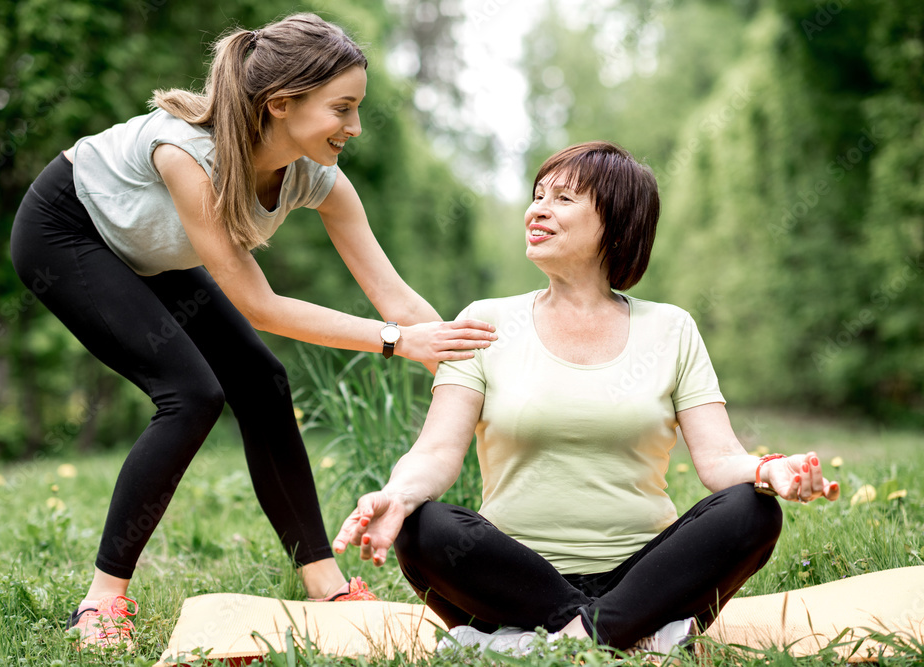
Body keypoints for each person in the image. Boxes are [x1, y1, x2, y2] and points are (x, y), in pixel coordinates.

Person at [9, 13, 496, 652]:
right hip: (68, 230)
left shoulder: (318, 176)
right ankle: (101, 600)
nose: (354, 127)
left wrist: (464, 366)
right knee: (190, 394)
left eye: (357, 109)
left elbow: (395, 296)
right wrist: (395, 342)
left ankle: (325, 584)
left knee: (262, 382)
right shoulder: (188, 154)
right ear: (281, 104)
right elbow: (260, 305)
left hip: (159, 248)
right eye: (342, 109)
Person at [333, 140, 841, 657]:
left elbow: (718, 460)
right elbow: (437, 452)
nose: (537, 209)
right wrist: (397, 494)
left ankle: (561, 640)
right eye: (537, 195)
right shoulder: (485, 321)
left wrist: (770, 470)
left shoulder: (671, 328)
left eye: (564, 198)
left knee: (752, 512)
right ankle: (623, 635)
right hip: (514, 581)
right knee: (421, 525)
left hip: (645, 579)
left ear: (616, 222)